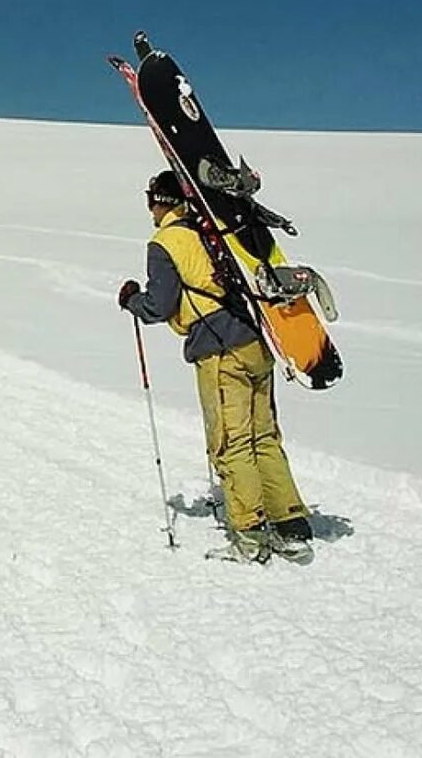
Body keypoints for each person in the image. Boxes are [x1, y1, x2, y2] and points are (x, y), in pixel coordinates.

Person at [118, 170, 314, 565]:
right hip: (256, 340)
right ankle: (290, 523)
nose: (150, 209)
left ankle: (250, 536)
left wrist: (132, 300)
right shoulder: (212, 230)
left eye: (150, 199)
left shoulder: (165, 242)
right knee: (264, 436)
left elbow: (159, 306)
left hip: (219, 349)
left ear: (159, 201)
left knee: (230, 441)